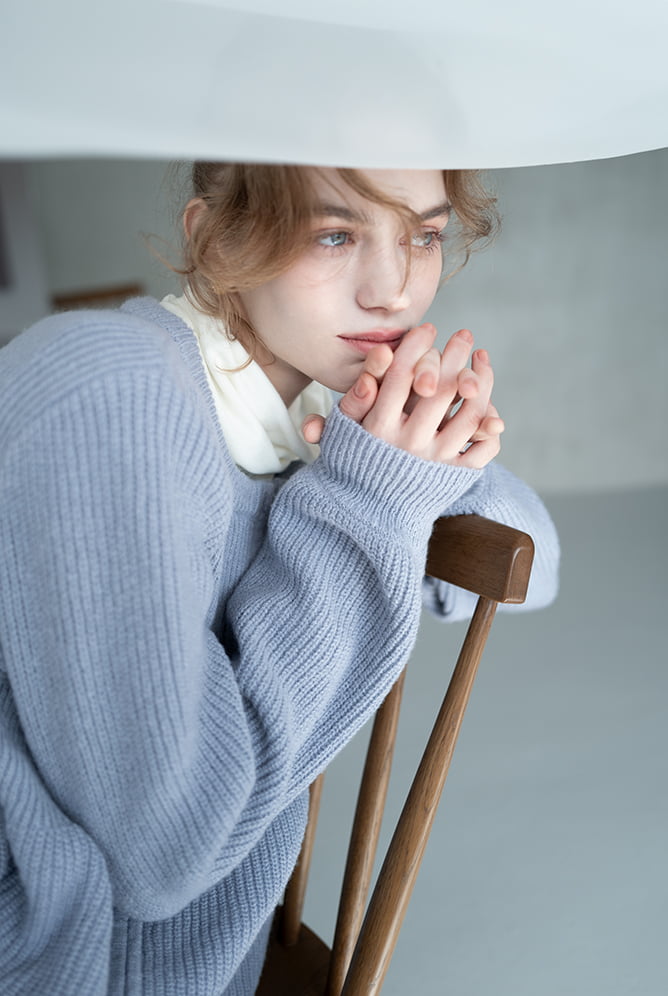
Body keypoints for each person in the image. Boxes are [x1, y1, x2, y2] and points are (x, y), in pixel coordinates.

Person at [0, 163, 559, 995]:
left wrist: (432, 431)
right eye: (334, 235)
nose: (393, 291)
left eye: (423, 236)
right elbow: (160, 857)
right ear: (214, 237)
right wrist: (369, 496)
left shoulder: (314, 409)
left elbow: (534, 564)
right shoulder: (112, 387)